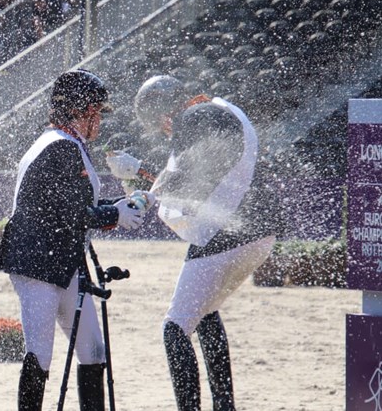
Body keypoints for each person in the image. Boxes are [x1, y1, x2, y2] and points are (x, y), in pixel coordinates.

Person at [106, 75, 279, 411]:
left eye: (161, 126)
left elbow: (180, 184)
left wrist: (140, 186)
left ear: (164, 115)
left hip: (225, 237)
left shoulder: (193, 118)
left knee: (175, 327)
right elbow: (197, 173)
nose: (165, 133)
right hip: (260, 234)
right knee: (206, 313)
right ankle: (224, 406)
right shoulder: (217, 109)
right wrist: (143, 175)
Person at [0, 69, 145, 411]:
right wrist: (115, 215)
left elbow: (76, 208)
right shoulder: (61, 147)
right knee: (40, 353)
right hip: (38, 265)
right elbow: (72, 215)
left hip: (60, 261)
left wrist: (117, 207)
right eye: (96, 114)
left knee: (92, 350)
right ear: (80, 111)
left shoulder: (65, 143)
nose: (100, 122)